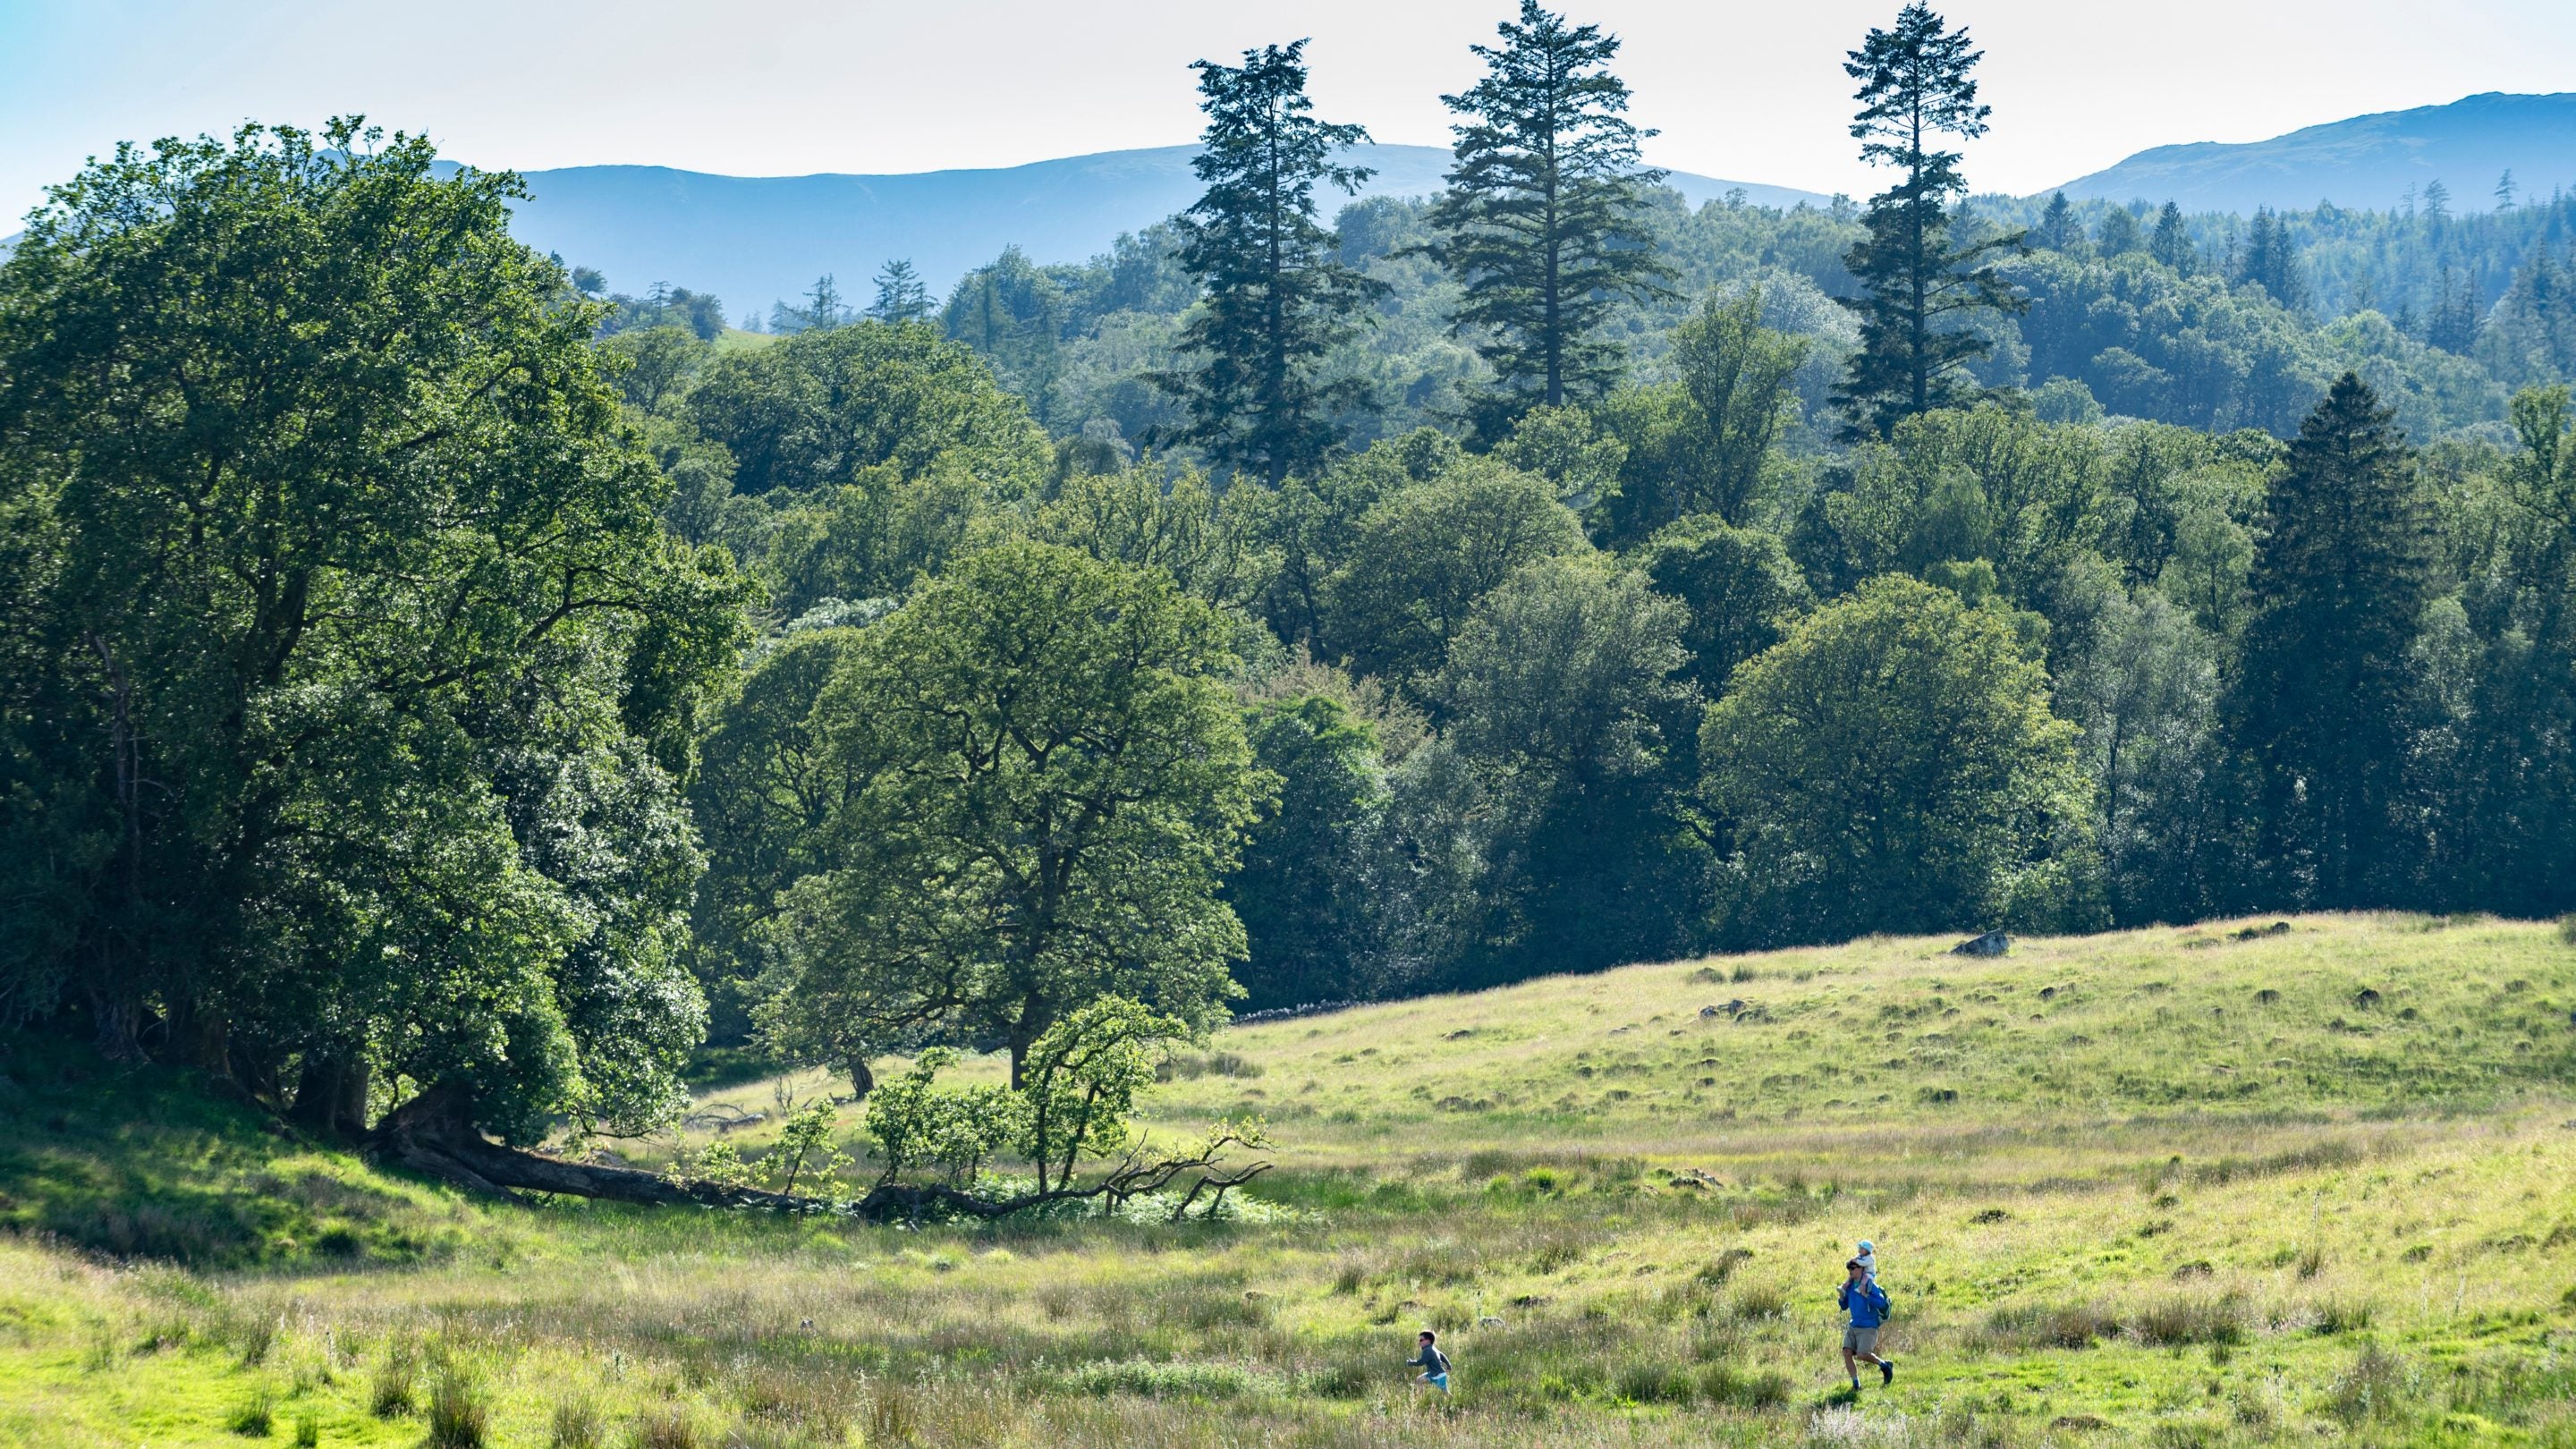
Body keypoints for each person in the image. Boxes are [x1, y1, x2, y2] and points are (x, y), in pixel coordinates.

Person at [1838, 1258, 1894, 1390]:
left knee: (1863, 1354)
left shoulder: (1869, 1286)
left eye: (1853, 1268)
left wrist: (1866, 1295)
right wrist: (1841, 1298)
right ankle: (1856, 1384)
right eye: (1849, 1268)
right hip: (1854, 1325)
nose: (1850, 1271)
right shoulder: (1849, 1286)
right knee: (1846, 1351)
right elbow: (1844, 1306)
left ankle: (1885, 1366)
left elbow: (1882, 1303)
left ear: (1862, 1269)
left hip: (1869, 1326)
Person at [1408, 1329, 1451, 1394]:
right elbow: (1442, 1355)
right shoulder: (1432, 1348)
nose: (1419, 1342)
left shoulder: (1428, 1350)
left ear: (1428, 1341)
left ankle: (1420, 1398)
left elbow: (1421, 1362)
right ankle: (1420, 1398)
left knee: (1446, 1393)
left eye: (1421, 1340)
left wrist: (1412, 1363)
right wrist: (1448, 1364)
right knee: (1419, 1380)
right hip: (1434, 1374)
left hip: (1438, 1375)